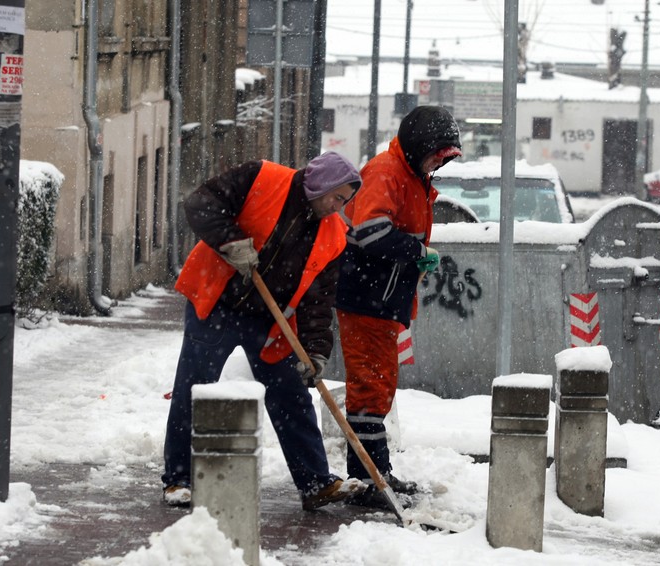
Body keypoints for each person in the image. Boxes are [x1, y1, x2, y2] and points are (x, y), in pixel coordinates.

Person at [162, 151, 367, 511]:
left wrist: (316, 352)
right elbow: (201, 203)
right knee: (194, 387)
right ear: (322, 184)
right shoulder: (261, 177)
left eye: (345, 201)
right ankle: (178, 479)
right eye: (337, 197)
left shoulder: (334, 237)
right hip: (216, 302)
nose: (338, 207)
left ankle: (316, 482)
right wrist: (231, 241)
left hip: (269, 320)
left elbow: (318, 301)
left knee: (291, 395)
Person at [334, 105, 462, 508]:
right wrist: (416, 250)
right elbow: (371, 231)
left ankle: (375, 473)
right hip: (366, 297)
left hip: (384, 299)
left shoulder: (411, 175)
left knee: (379, 387)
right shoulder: (387, 172)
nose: (437, 166)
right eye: (436, 156)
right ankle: (368, 478)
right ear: (417, 146)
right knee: (370, 389)